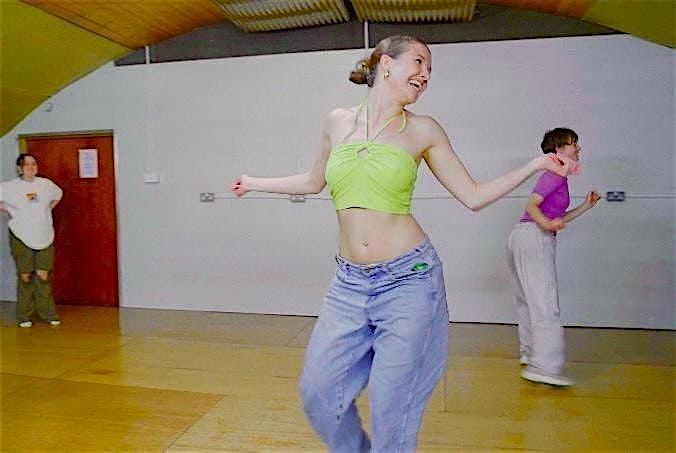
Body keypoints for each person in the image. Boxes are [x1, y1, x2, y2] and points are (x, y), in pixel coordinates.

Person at [232, 35, 568, 452]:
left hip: (410, 280)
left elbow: (474, 195)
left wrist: (535, 165)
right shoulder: (337, 121)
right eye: (419, 62)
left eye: (430, 69)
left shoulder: (423, 130)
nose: (426, 74)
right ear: (386, 64)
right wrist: (254, 182)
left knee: (393, 408)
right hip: (349, 284)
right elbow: (313, 180)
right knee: (319, 394)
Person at [506, 128, 600, 387]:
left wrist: (586, 206)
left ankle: (529, 353)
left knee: (528, 300)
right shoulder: (554, 174)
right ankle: (545, 366)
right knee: (545, 302)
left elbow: (558, 217)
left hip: (523, 236)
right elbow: (531, 205)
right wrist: (546, 225)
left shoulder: (558, 178)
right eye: (573, 144)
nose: (578, 148)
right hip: (534, 236)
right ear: (558, 150)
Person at [0, 153, 63, 328]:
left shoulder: (46, 185)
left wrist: (46, 210)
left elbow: (58, 195)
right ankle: (24, 315)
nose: (31, 167)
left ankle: (48, 313)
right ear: (20, 168)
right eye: (27, 164)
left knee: (43, 275)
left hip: (44, 236)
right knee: (25, 276)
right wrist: (8, 209)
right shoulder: (10, 187)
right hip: (21, 236)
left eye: (33, 164)